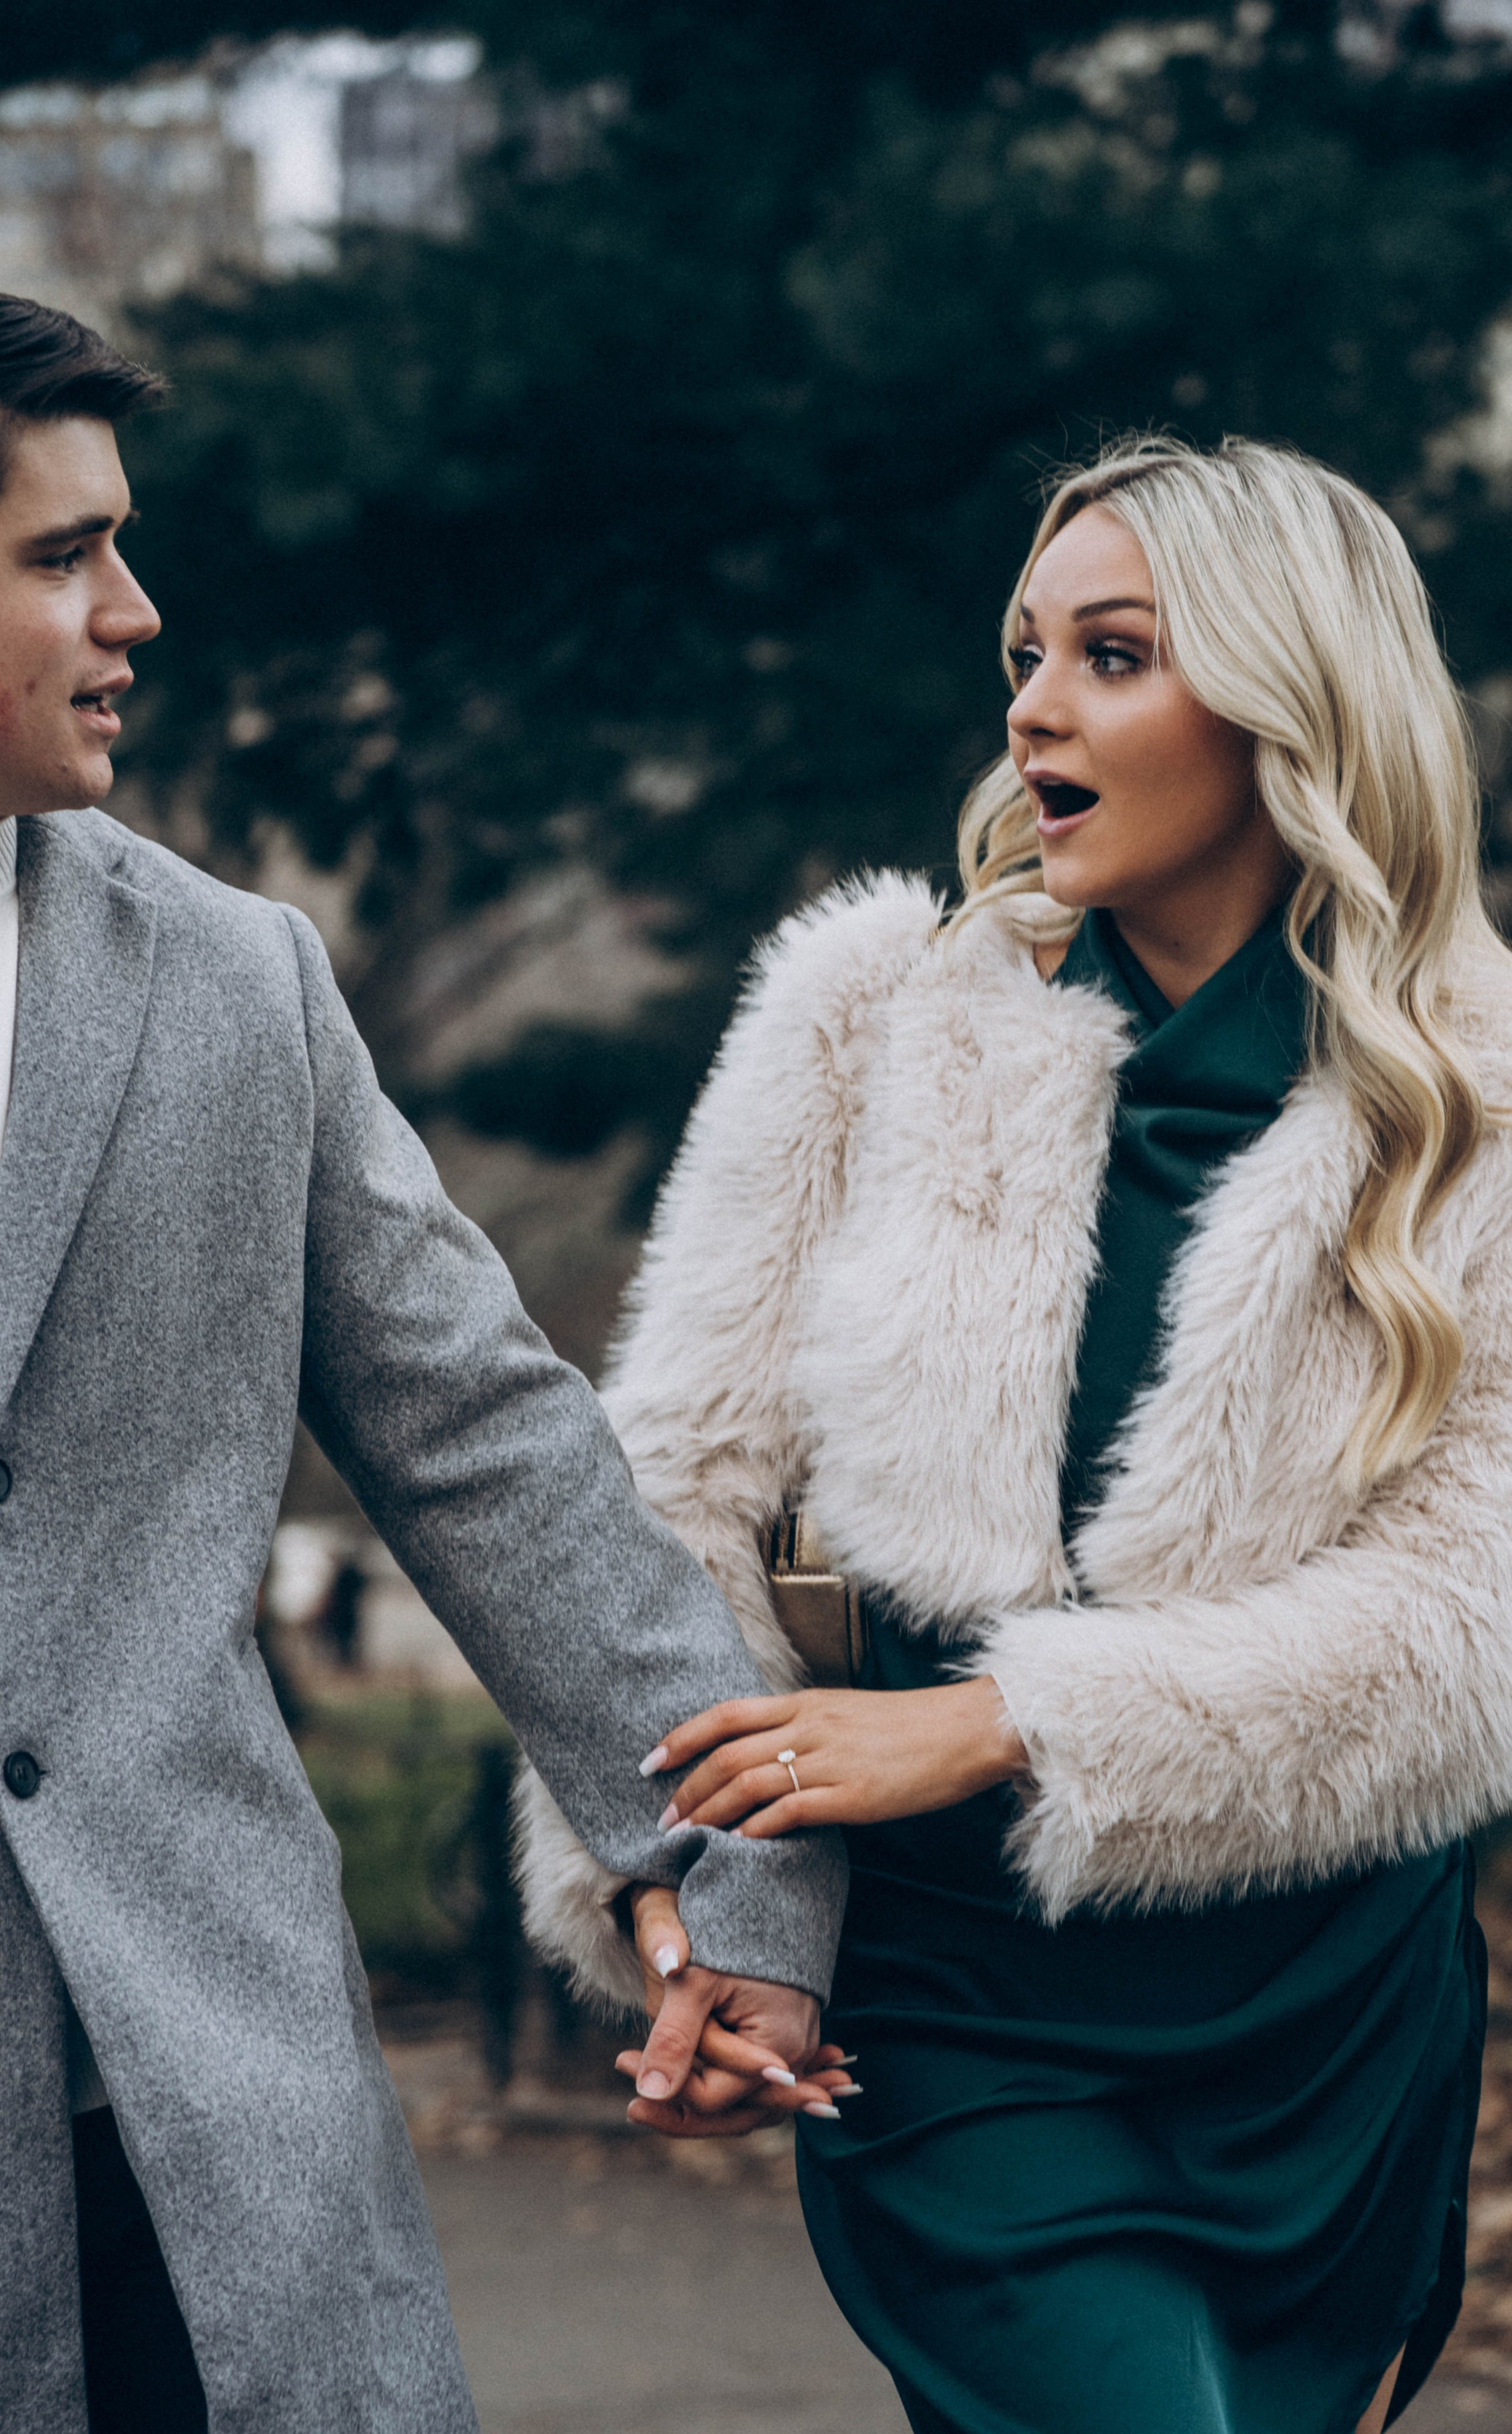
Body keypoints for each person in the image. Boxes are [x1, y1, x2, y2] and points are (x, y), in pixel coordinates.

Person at [518, 435, 1512, 2432]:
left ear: (1285, 705)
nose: (1033, 706)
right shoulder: (868, 1018)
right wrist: (704, 1910)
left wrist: (1002, 1720)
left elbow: (1477, 1638)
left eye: (1112, 654)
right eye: (1024, 653)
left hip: (1328, 2046)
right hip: (965, 2024)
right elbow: (678, 1509)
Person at [0, 292, 849, 2434]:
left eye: (118, 542)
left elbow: (491, 1445)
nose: (136, 609)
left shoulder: (228, 988)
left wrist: (716, 1866)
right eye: (57, 555)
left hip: (173, 2105)